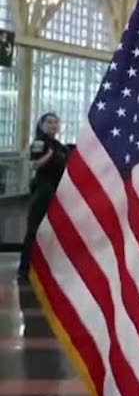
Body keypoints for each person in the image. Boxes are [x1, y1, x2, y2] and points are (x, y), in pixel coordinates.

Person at [19, 113, 69, 280]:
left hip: (57, 193)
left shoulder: (60, 147)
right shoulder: (40, 143)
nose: (53, 125)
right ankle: (24, 270)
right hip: (43, 191)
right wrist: (49, 155)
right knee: (34, 230)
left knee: (54, 232)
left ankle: (47, 270)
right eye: (49, 122)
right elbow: (34, 164)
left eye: (56, 122)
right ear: (41, 124)